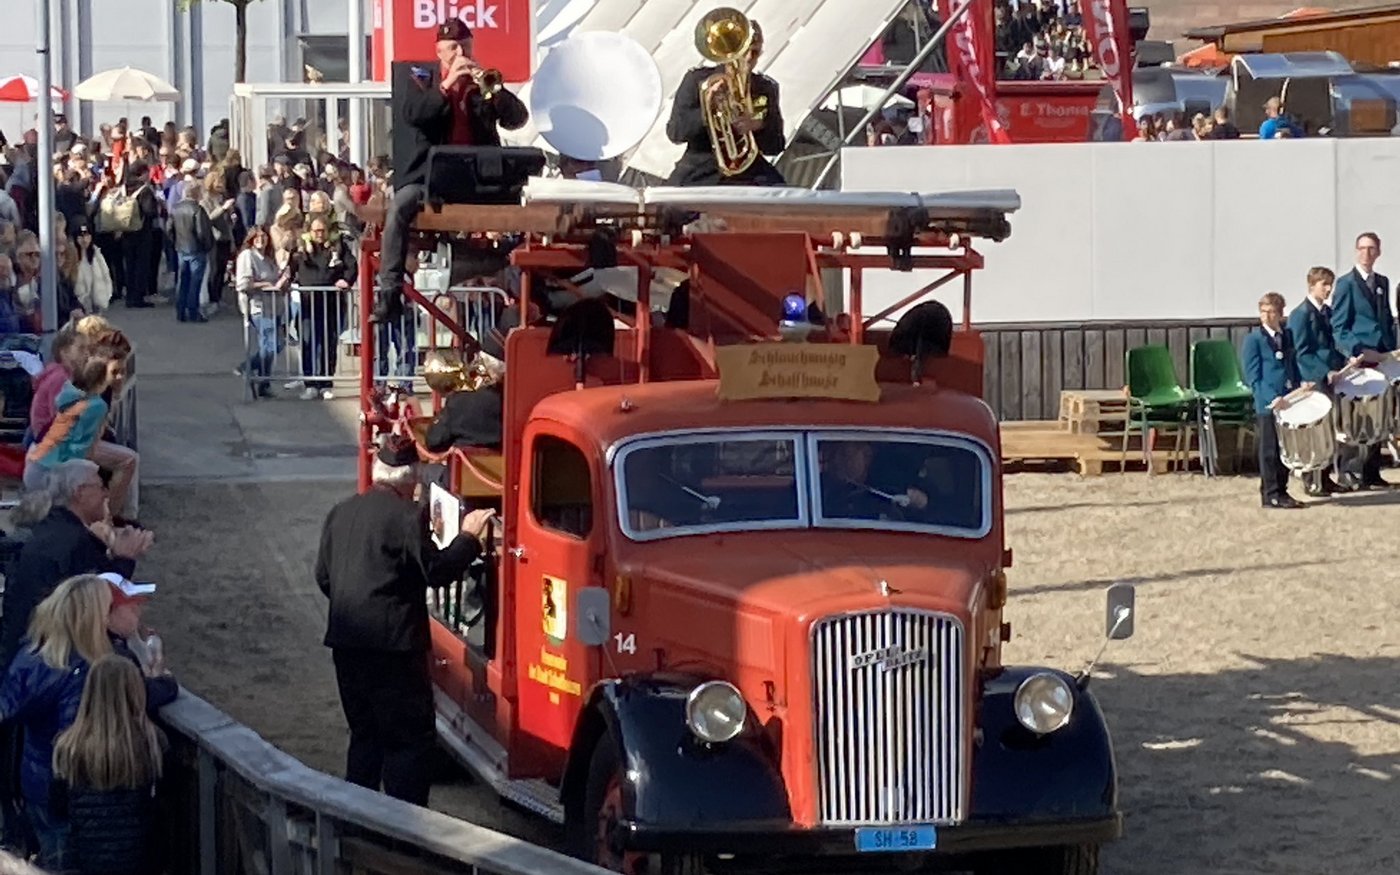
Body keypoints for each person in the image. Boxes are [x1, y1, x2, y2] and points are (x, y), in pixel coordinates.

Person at [314, 437, 494, 805]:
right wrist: (469, 539)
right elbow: (437, 570)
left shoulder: (340, 512)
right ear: (411, 481)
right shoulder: (407, 517)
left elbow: (324, 577)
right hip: (393, 649)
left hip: (347, 645)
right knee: (407, 742)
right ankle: (406, 824)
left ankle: (355, 819)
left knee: (364, 736)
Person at [373, 19, 529, 324]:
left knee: (528, 203)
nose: (461, 53)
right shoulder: (423, 78)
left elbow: (516, 119)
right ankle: (390, 291)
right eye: (454, 47)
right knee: (400, 206)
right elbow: (414, 114)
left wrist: (493, 90)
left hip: (477, 178)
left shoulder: (484, 85)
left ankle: (526, 279)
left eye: (466, 46)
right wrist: (447, 86)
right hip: (432, 179)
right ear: (440, 51)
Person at [0, 575, 116, 869]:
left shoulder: (34, 657)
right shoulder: (79, 672)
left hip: (35, 781)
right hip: (63, 791)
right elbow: (79, 736)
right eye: (106, 611)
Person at [1, 460, 151, 671]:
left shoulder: (52, 529)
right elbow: (95, 601)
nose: (106, 494)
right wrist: (124, 559)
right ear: (80, 492)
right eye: (100, 486)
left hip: (24, 652)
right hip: (50, 659)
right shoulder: (73, 542)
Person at [50, 654, 165, 875]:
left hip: (86, 861)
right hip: (138, 860)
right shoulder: (150, 743)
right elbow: (166, 794)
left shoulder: (68, 747)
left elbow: (58, 807)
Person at [665, 19, 786, 187]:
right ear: (730, 52)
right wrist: (707, 110)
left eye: (755, 53)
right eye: (744, 52)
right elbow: (676, 132)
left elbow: (776, 145)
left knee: (782, 193)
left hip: (749, 171)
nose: (749, 58)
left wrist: (758, 125)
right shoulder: (697, 80)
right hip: (701, 169)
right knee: (673, 199)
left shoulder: (765, 89)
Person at [1329, 232, 1393, 490]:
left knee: (1377, 412)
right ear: (1356, 251)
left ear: (1378, 252)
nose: (1367, 253)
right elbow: (1339, 325)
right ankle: (1348, 470)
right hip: (1358, 357)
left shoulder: (1382, 282)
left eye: (1372, 248)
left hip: (1380, 355)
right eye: (1363, 248)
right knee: (1355, 415)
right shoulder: (1346, 284)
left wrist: (1389, 349)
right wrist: (1356, 350)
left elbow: (1385, 317)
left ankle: (1371, 472)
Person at [1287, 267, 1358, 496]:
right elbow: (1302, 351)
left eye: (1330, 285)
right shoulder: (1300, 314)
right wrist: (1324, 371)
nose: (1328, 289)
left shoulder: (1327, 312)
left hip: (1332, 376)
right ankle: (1311, 479)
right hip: (1313, 378)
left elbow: (1333, 343)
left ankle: (1325, 477)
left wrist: (1346, 359)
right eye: (1323, 284)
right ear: (1311, 285)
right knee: (1315, 432)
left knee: (1329, 431)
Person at [1243, 292, 1309, 510]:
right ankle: (1270, 493)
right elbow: (1253, 376)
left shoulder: (1287, 335)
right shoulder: (1254, 340)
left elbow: (1292, 364)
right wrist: (1271, 397)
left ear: (1280, 314)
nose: (1267, 316)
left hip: (1289, 400)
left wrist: (1300, 385)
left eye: (1272, 312)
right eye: (1263, 312)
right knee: (1269, 450)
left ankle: (1282, 490)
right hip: (1269, 402)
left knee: (1285, 449)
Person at [819, 440, 929, 521]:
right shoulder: (825, 491)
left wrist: (921, 501)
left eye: (844, 454)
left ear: (866, 453)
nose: (836, 461)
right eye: (830, 456)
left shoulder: (893, 484)